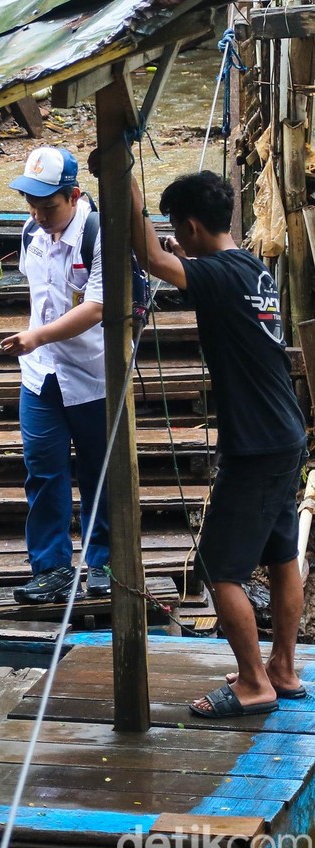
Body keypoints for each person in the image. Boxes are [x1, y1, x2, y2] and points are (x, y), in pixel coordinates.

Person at [130, 170, 307, 718]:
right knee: (280, 555)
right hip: (286, 433)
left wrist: (125, 184)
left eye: (177, 231)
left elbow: (155, 261)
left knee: (219, 567)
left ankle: (254, 684)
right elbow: (172, 258)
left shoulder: (215, 275)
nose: (176, 242)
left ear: (188, 226)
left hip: (255, 445)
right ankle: (283, 665)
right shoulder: (252, 268)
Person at [1, 146, 111, 604]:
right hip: (40, 377)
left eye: (48, 206)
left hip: (92, 375)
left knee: (99, 472)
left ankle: (104, 562)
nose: (39, 214)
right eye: (33, 205)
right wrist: (37, 345)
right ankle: (51, 568)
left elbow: (97, 308)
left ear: (74, 195)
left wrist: (37, 337)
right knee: (43, 472)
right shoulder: (32, 232)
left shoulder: (98, 234)